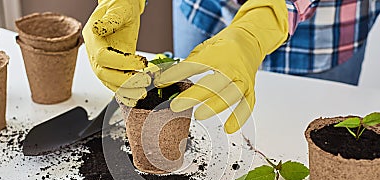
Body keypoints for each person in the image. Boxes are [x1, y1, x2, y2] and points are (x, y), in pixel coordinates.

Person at [82, 0, 379, 134]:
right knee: (189, 93)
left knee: (290, 129)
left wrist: (263, 21)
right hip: (207, 7)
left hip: (324, 30)